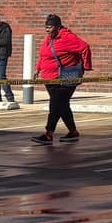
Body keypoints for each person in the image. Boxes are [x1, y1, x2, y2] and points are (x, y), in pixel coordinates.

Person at [32, 14, 92, 145]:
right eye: (46, 27)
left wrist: (86, 66)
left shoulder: (67, 37)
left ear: (58, 27)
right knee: (62, 106)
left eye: (50, 27)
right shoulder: (49, 38)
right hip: (49, 78)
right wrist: (38, 68)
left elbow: (85, 47)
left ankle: (49, 134)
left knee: (55, 105)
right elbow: (44, 55)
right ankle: (73, 132)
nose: (47, 30)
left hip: (64, 77)